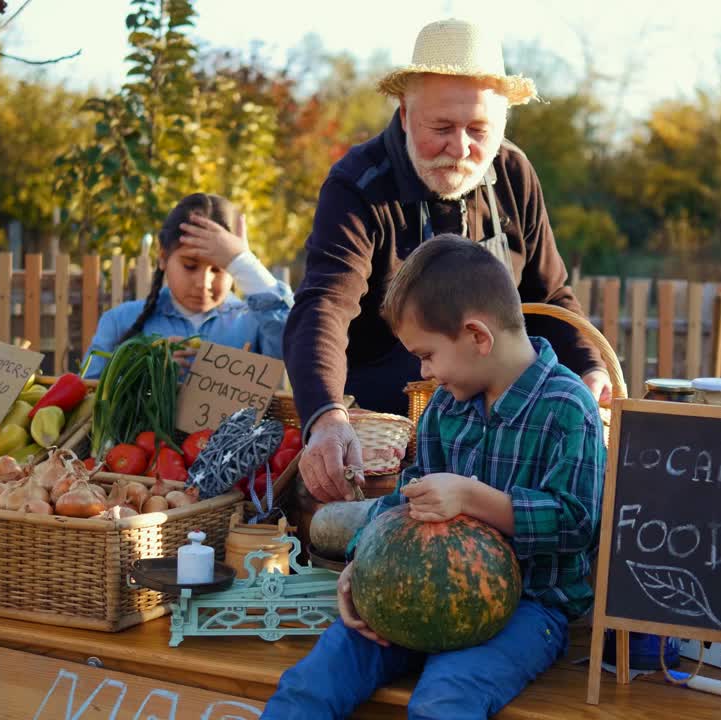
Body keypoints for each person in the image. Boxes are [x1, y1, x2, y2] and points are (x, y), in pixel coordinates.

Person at [262, 236, 606, 720]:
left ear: (477, 336)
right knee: (312, 682)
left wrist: (470, 497)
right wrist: (361, 563)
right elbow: (404, 503)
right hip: (420, 586)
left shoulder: (570, 409)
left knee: (445, 700)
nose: (424, 370)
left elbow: (577, 523)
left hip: (527, 609)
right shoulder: (445, 407)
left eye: (427, 354)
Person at [285, 18, 612, 504]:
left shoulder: (513, 173)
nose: (460, 149)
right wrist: (327, 417)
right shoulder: (358, 185)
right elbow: (325, 305)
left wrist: (590, 368)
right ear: (403, 113)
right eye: (441, 128)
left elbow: (548, 295)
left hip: (506, 440)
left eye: (479, 130)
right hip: (388, 443)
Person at [83, 193, 292, 378]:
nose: (203, 283)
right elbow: (87, 397)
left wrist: (244, 262)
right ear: (163, 257)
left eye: (218, 269)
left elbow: (298, 344)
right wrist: (144, 376)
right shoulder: (120, 321)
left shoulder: (255, 323)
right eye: (190, 266)